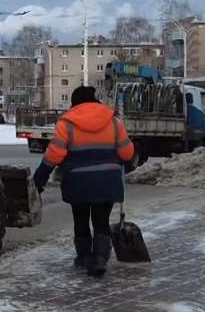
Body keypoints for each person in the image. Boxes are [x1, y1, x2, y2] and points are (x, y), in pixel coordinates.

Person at [32, 86, 135, 278]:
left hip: (77, 181)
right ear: (95, 100)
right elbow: (127, 153)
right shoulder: (114, 122)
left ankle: (84, 257)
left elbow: (54, 155)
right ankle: (100, 259)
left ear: (74, 102)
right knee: (101, 220)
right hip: (108, 180)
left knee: (80, 219)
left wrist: (40, 179)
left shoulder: (66, 124)